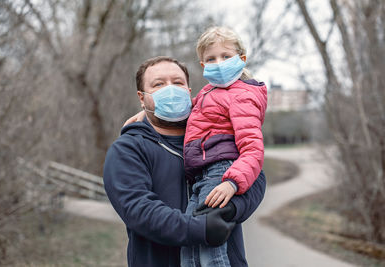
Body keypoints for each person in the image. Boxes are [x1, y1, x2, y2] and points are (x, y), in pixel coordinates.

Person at [103, 56, 266, 267]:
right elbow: (139, 209)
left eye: (178, 82)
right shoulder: (128, 149)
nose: (170, 90)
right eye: (159, 84)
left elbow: (255, 177)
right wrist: (201, 228)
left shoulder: (217, 135)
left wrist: (230, 209)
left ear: (189, 92)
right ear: (142, 98)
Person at [181, 26, 267, 267]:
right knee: (189, 245)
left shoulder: (242, 95)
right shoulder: (209, 92)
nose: (218, 63)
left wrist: (232, 182)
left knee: (210, 249)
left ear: (241, 59)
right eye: (211, 58)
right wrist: (144, 115)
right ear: (202, 65)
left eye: (225, 56)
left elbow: (252, 148)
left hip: (221, 171)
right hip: (202, 175)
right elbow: (186, 113)